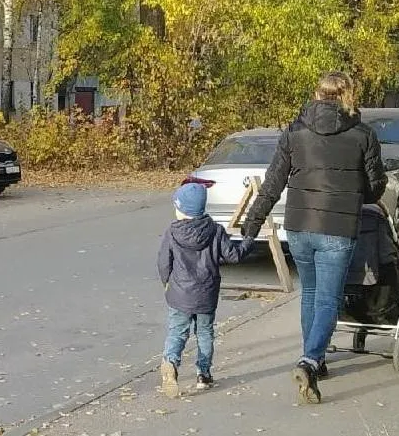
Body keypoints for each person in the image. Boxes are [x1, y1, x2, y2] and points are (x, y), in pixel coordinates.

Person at [241, 72, 387, 404]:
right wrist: (351, 189)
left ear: (316, 94)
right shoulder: (363, 135)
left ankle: (316, 359)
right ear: (349, 95)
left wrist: (252, 224)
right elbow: (376, 186)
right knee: (328, 300)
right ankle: (310, 360)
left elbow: (273, 183)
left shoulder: (294, 132)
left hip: (300, 225)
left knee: (310, 295)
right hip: (338, 227)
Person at [157, 182, 255, 397]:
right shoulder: (215, 230)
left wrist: (167, 283)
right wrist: (248, 240)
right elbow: (233, 256)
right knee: (204, 333)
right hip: (206, 294)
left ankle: (171, 363)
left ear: (182, 209)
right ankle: (204, 374)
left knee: (177, 331)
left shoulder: (172, 232)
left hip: (179, 294)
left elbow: (164, 262)